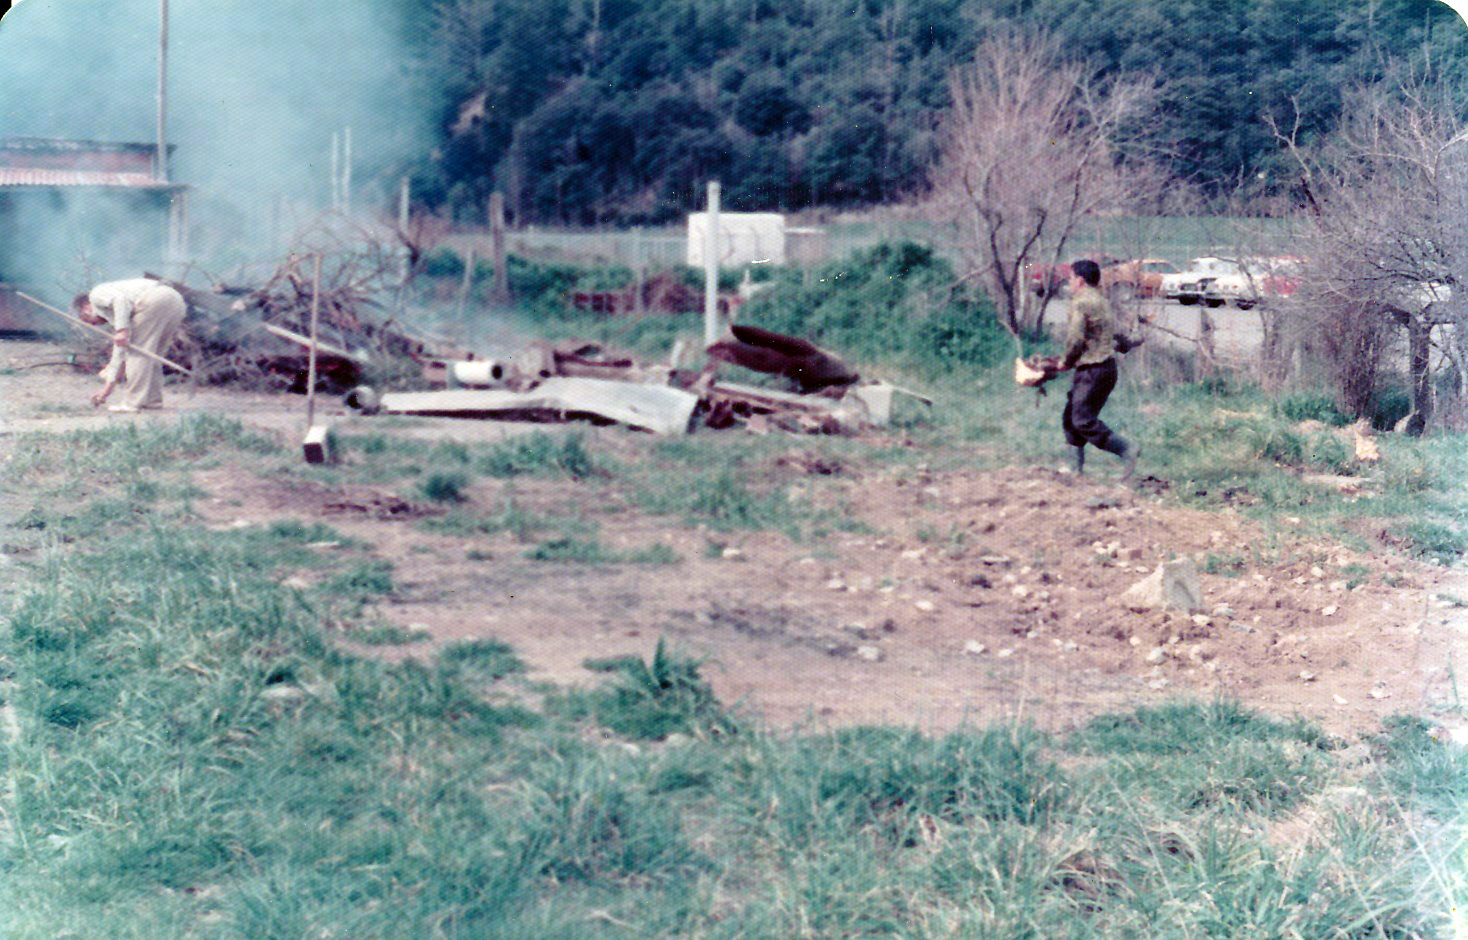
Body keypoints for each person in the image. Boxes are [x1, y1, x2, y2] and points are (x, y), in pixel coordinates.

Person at [1051, 258, 1140, 480]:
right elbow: (1114, 332)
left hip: (1094, 369)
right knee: (1071, 417)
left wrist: (1066, 362)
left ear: (1080, 280)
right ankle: (1075, 470)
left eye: (1071, 278)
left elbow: (1076, 338)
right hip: (1103, 368)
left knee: (1082, 420)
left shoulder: (1081, 302)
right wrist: (1125, 343)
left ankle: (1126, 449)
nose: (1069, 282)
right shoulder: (1100, 300)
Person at [72, 277, 187, 412]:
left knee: (136, 355)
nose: (92, 325)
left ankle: (132, 403)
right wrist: (107, 390)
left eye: (86, 319)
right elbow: (120, 353)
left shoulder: (96, 295)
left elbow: (120, 300)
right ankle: (152, 402)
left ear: (86, 308)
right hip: (175, 300)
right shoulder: (122, 314)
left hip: (154, 299)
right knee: (150, 356)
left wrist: (121, 330)